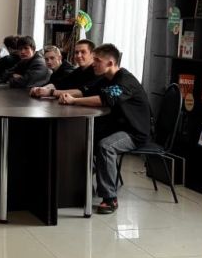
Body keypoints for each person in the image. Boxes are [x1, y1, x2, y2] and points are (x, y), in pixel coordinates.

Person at [55, 44, 152, 214]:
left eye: (97, 60)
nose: (93, 63)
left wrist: (73, 101)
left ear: (110, 63)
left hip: (134, 132)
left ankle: (110, 198)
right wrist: (54, 93)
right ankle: (77, 183)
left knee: (105, 146)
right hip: (116, 127)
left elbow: (105, 99)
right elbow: (84, 91)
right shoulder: (105, 78)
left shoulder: (125, 81)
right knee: (80, 138)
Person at [30, 39, 98, 97]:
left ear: (93, 54)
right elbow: (59, 84)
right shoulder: (78, 71)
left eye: (83, 52)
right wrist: (39, 89)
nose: (78, 55)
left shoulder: (97, 71)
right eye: (76, 52)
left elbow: (82, 92)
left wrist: (51, 92)